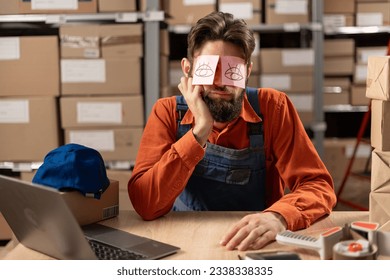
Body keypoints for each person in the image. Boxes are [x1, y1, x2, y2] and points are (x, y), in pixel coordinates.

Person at [128, 11, 336, 251]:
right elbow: (146, 204)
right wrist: (200, 131)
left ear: (247, 71)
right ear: (188, 69)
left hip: (254, 244)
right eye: (208, 69)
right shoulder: (167, 113)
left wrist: (279, 217)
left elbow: (318, 185)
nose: (220, 82)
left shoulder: (273, 107)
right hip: (182, 242)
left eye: (231, 70)